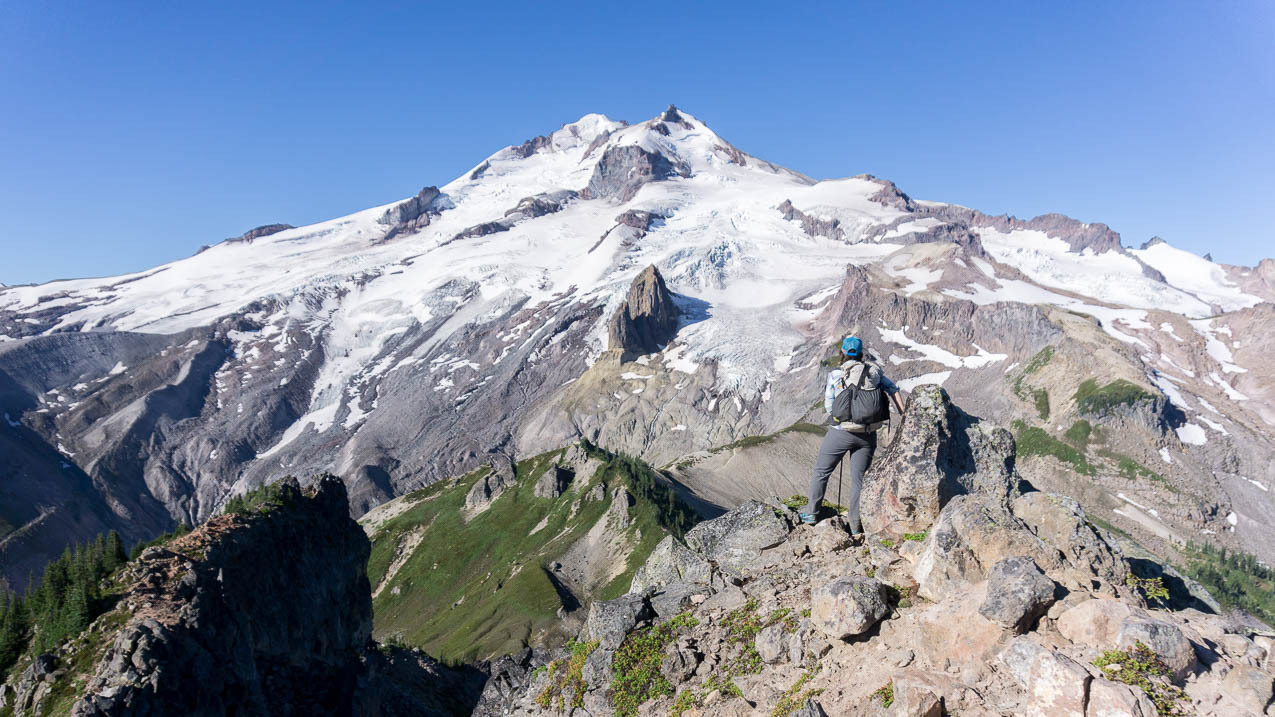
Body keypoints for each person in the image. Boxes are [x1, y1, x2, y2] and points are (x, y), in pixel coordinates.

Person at [801, 336, 906, 530]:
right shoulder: (874, 372)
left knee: (822, 471)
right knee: (859, 479)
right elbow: (893, 389)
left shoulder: (835, 375)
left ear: (842, 352)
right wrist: (904, 414)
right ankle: (856, 525)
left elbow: (829, 405)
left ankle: (811, 513)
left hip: (841, 432)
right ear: (860, 353)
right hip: (868, 435)